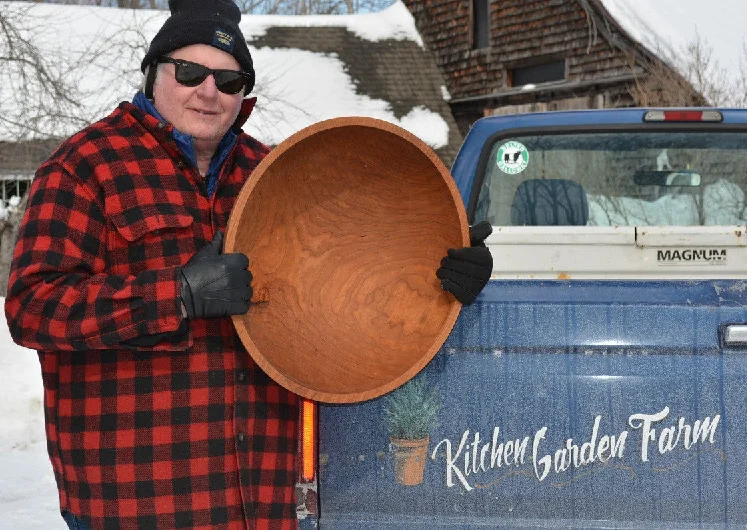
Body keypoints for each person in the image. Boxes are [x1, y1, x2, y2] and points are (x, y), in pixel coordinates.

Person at [4, 0, 493, 528]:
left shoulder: (274, 175)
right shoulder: (85, 167)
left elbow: (345, 291)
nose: (209, 91)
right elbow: (33, 307)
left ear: (244, 95)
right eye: (190, 72)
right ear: (153, 75)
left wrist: (440, 279)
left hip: (260, 496)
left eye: (230, 80)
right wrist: (177, 295)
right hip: (139, 497)